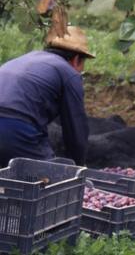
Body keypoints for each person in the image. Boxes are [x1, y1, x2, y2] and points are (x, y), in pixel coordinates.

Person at [0, 26, 95, 167]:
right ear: (76, 59)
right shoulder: (69, 72)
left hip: (11, 121)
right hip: (15, 127)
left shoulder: (27, 58)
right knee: (49, 180)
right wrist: (78, 169)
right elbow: (76, 129)